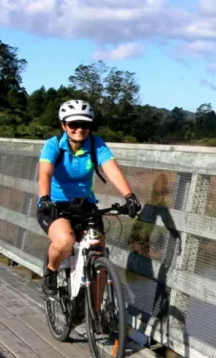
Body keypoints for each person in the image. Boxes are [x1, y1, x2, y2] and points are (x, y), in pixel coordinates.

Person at [36, 99, 141, 297]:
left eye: (84, 124)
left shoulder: (96, 144)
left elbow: (112, 171)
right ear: (63, 125)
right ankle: (51, 271)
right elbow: (45, 173)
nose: (79, 129)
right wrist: (45, 198)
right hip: (56, 206)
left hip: (85, 206)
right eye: (73, 124)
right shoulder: (53, 145)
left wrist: (129, 196)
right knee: (66, 241)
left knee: (98, 250)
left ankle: (98, 313)